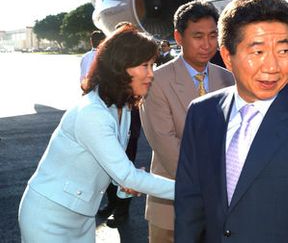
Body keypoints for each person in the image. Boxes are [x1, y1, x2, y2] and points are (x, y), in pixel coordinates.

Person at [174, 0, 288, 243]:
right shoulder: (202, 113)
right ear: (227, 56)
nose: (272, 66)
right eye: (257, 51)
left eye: (283, 50)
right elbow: (189, 205)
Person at [18, 24, 174, 243]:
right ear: (121, 67)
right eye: (145, 65)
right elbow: (127, 175)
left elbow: (116, 171)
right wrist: (192, 190)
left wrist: (124, 186)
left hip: (82, 217)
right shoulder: (92, 113)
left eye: (152, 65)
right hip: (48, 218)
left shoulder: (123, 108)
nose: (151, 74)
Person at [140, 0, 234, 243]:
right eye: (198, 36)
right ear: (178, 37)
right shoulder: (157, 82)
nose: (207, 44)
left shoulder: (229, 80)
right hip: (173, 207)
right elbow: (168, 149)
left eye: (213, 35)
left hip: (221, 212)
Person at [96, 21, 142, 229]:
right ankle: (112, 203)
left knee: (126, 161)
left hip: (131, 115)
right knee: (107, 165)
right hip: (108, 112)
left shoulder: (141, 64)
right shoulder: (98, 62)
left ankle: (122, 211)